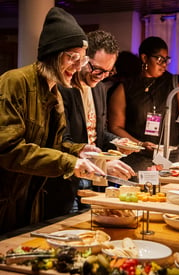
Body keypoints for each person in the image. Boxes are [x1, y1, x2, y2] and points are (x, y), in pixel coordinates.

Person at [0, 7, 105, 234]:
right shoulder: (15, 82)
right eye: (72, 57)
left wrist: (79, 151)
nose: (78, 67)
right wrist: (69, 163)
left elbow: (53, 146)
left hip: (29, 199)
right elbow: (9, 149)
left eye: (82, 59)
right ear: (53, 53)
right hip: (5, 200)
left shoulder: (54, 91)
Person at [55, 30, 136, 211]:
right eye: (96, 69)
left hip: (93, 181)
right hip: (67, 181)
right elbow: (61, 140)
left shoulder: (99, 89)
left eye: (107, 72)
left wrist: (116, 141)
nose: (100, 76)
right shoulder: (62, 88)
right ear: (83, 59)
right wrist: (103, 164)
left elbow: (95, 133)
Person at [107, 36, 179, 177]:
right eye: (160, 59)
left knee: (170, 191)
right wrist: (140, 144)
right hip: (138, 157)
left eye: (166, 59)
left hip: (172, 156)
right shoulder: (125, 88)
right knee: (143, 191)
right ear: (144, 58)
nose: (164, 64)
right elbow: (115, 127)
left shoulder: (176, 84)